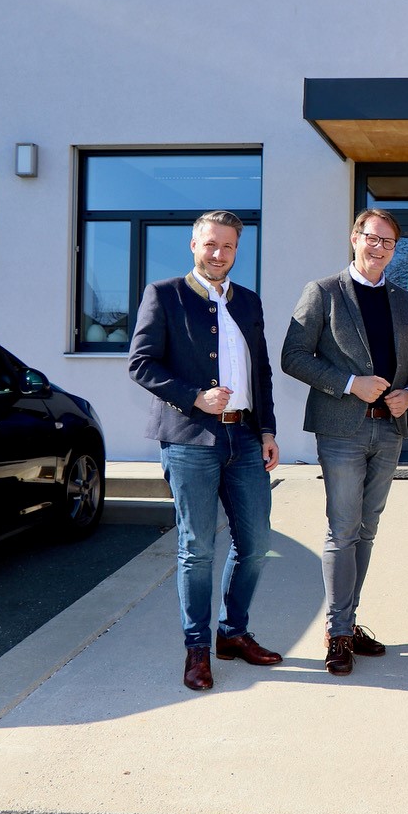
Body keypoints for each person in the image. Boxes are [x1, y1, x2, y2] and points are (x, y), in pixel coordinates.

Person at [128, 210, 283, 691]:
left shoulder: (249, 301)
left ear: (237, 250)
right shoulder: (165, 294)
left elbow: (260, 372)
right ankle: (197, 648)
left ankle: (232, 634)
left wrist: (268, 430)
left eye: (228, 246)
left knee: (255, 543)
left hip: (245, 438)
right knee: (197, 548)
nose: (219, 253)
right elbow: (141, 363)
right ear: (194, 245)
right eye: (211, 244)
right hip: (188, 438)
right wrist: (194, 396)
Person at [281, 208, 408, 677]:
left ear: (395, 250)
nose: (378, 247)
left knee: (367, 529)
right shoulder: (323, 292)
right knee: (343, 530)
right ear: (354, 238)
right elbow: (293, 356)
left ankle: (348, 620)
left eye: (388, 242)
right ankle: (338, 630)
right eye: (372, 238)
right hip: (342, 430)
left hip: (389, 430)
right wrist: (349, 384)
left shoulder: (404, 301)